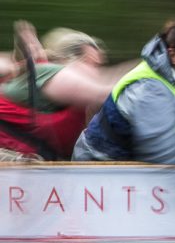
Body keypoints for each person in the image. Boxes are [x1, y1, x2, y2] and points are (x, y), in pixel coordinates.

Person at [73, 18, 175, 163]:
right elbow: (166, 157)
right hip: (100, 170)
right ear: (174, 55)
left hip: (141, 168)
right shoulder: (150, 90)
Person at [0, 24, 117, 160]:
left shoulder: (41, 73)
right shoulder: (52, 74)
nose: (99, 73)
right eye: (94, 64)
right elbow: (105, 94)